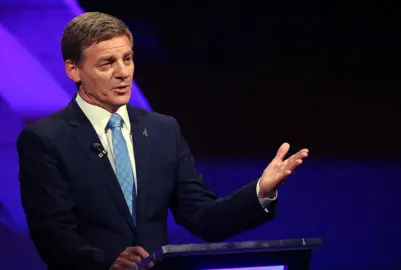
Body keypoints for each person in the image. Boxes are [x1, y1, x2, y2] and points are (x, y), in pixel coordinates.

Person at [16, 12, 309, 270]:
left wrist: (261, 191)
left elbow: (203, 218)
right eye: (107, 63)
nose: (123, 73)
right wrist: (106, 263)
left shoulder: (163, 130)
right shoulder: (45, 139)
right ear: (73, 70)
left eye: (127, 59)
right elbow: (53, 235)